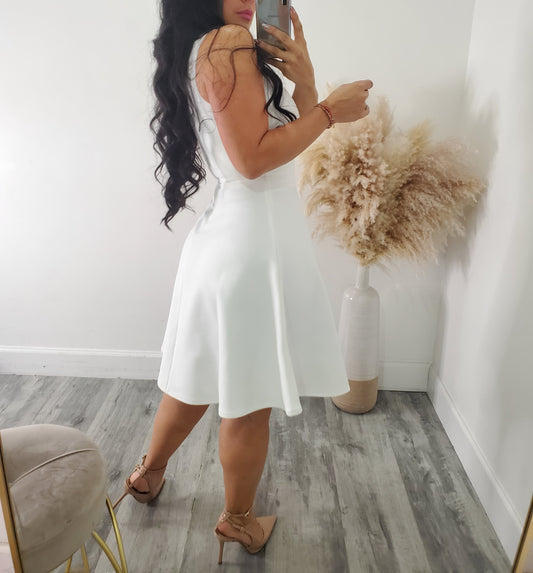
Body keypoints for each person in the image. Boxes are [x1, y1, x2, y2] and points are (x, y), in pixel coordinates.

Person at [112, 0, 373, 565]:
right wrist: (331, 110)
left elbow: (291, 137)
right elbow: (253, 162)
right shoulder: (228, 43)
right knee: (249, 399)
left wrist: (305, 80)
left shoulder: (206, 46)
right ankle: (237, 521)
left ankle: (147, 476)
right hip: (255, 247)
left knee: (195, 377)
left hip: (231, 241)